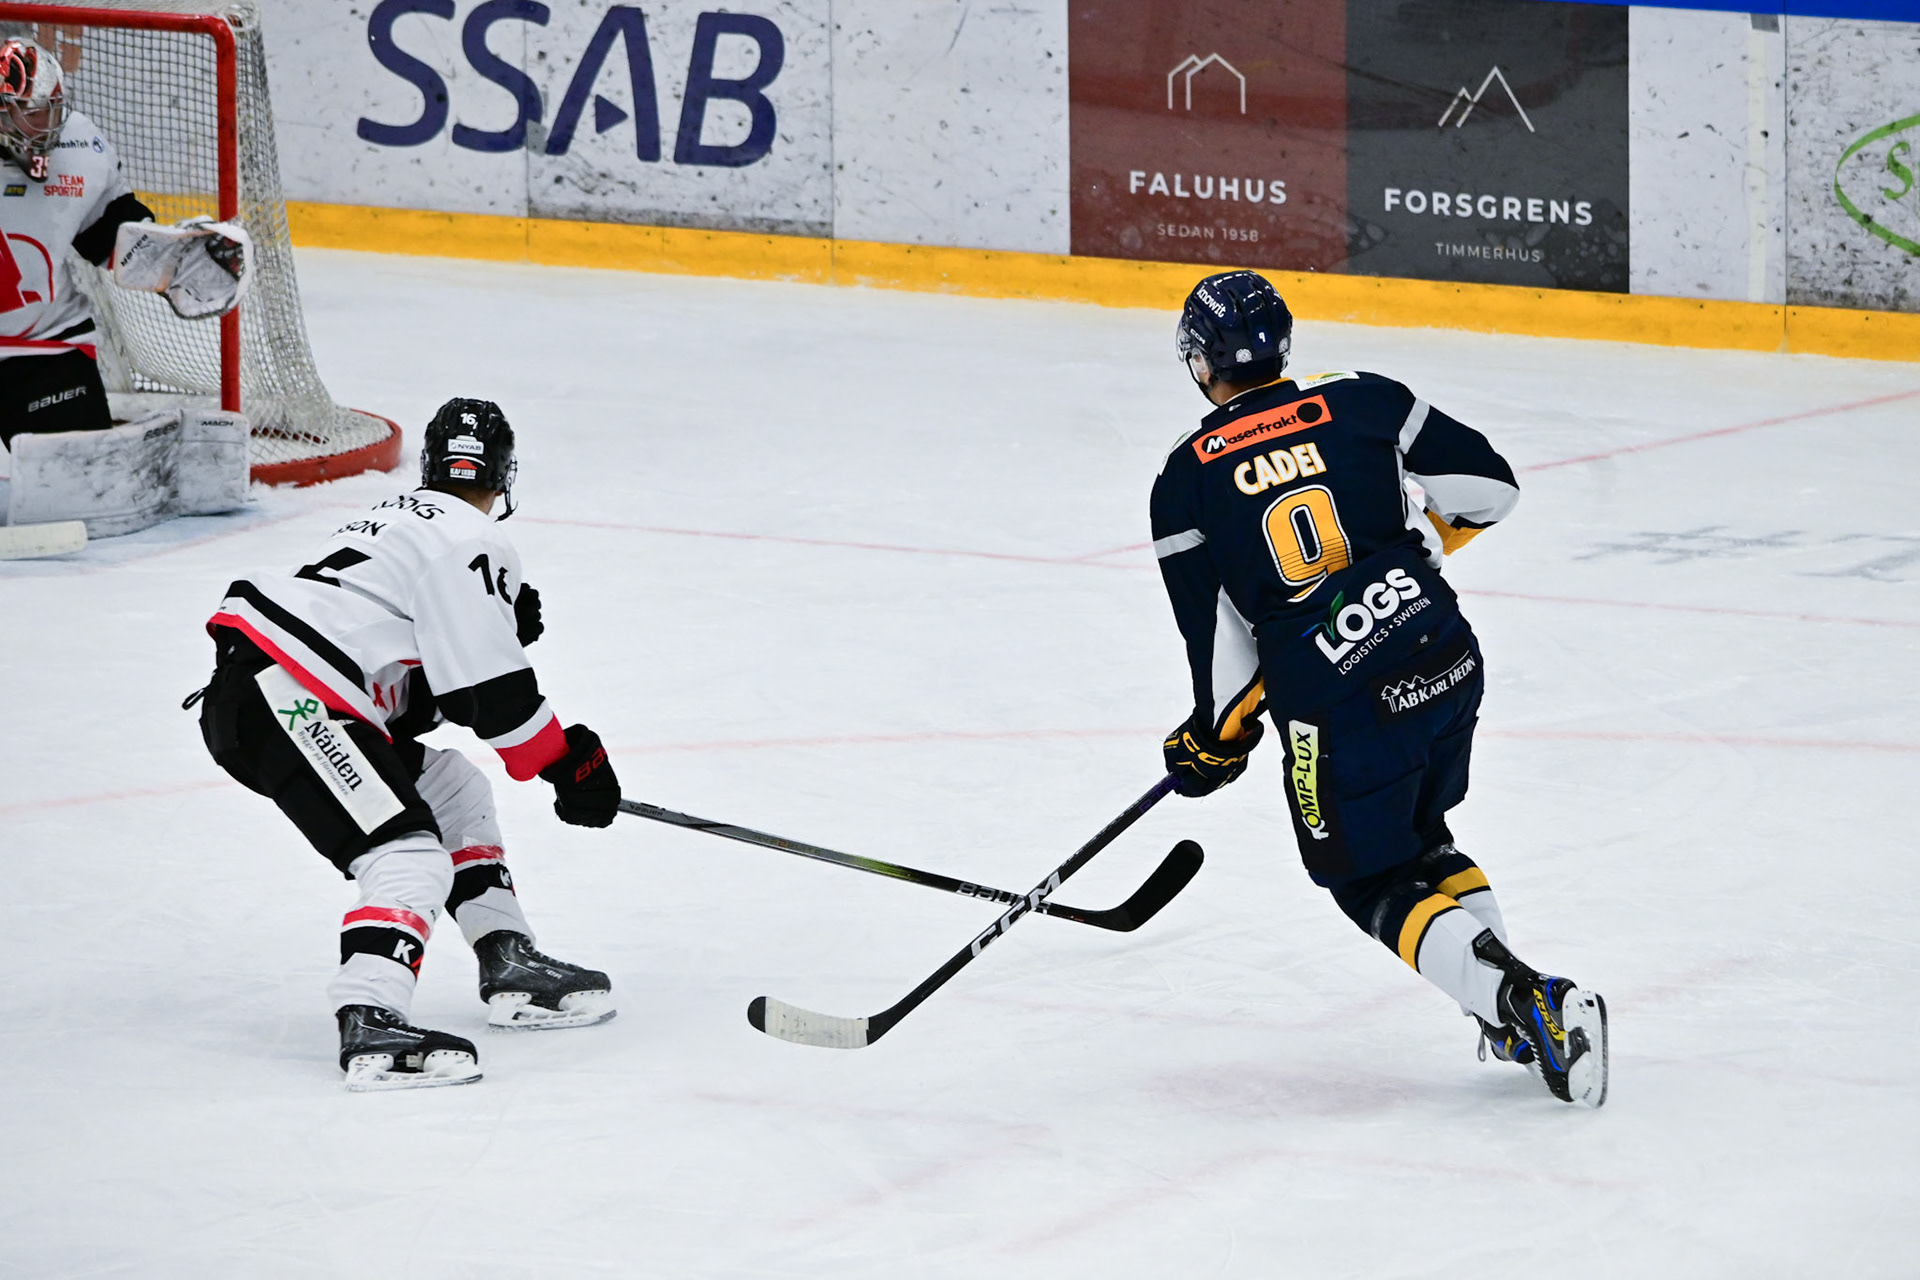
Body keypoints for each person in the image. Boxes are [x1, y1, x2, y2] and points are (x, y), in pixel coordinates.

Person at [1152, 270, 1608, 1107]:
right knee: (1421, 842)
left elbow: (1225, 656)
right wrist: (1417, 552)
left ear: (1199, 361)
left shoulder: (1185, 477)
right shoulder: (1365, 397)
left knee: (1365, 878)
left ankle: (1524, 1001)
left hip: (1341, 707)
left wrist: (1212, 743)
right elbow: (1489, 491)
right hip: (1443, 655)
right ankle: (1507, 1020)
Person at [194, 399, 622, 1091]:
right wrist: (567, 761)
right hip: (293, 699)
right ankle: (371, 1018)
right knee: (407, 854)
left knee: (454, 790)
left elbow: (417, 699)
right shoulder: (471, 539)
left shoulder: (397, 522)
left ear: (429, 466)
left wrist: (494, 651)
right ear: (505, 477)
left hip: (272, 693)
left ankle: (507, 956)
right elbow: (492, 700)